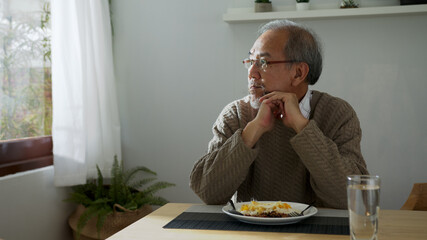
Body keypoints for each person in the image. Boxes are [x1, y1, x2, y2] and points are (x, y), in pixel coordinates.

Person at [189, 19, 369, 209]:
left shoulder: (337, 114)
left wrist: (302, 127)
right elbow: (206, 191)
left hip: (315, 234)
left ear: (299, 73)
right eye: (251, 61)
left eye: (263, 62)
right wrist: (252, 131)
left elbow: (355, 197)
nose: (252, 73)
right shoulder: (235, 114)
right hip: (250, 233)